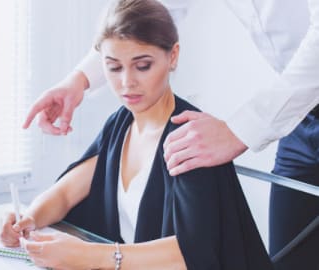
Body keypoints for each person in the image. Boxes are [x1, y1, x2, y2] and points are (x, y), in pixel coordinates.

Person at [23, 0, 319, 268]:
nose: (127, 82)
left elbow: (196, 251)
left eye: (142, 66)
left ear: (173, 56)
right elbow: (144, 16)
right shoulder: (120, 126)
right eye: (114, 67)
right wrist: (78, 80)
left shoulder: (186, 136)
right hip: (302, 114)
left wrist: (238, 130)